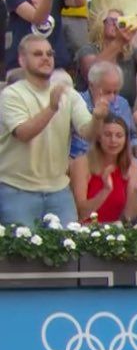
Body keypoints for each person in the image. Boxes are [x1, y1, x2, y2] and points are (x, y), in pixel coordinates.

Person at [0, 35, 105, 225]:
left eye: (49, 54)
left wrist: (97, 117)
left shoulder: (68, 93)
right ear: (22, 61)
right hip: (17, 190)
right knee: (21, 254)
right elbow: (23, 133)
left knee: (70, 251)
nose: (46, 58)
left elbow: (88, 133)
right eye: (38, 54)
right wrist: (51, 109)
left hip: (59, 190)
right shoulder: (11, 95)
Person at [75, 8, 137, 109]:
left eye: (120, 22)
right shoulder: (88, 50)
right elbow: (92, 74)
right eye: (111, 20)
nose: (116, 24)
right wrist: (119, 42)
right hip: (92, 112)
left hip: (124, 115)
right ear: (101, 24)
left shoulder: (131, 54)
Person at [68, 113, 137, 222]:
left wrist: (136, 190)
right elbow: (82, 213)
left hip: (116, 230)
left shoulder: (132, 165)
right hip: (87, 231)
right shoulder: (82, 163)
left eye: (119, 136)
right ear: (99, 138)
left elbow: (129, 216)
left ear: (125, 139)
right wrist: (105, 190)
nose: (113, 140)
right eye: (108, 135)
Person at [72, 60, 137, 157]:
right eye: (107, 92)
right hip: (82, 160)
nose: (112, 98)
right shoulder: (76, 102)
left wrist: (135, 151)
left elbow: (132, 137)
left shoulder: (122, 103)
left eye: (115, 92)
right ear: (91, 85)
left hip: (117, 161)